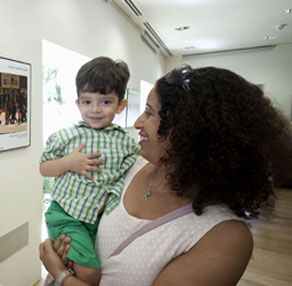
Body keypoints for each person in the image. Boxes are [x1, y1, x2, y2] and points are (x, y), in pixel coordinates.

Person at [39, 64, 292, 286]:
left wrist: (61, 275)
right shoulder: (129, 167)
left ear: (188, 130)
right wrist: (70, 256)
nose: (137, 122)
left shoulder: (225, 239)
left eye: (149, 112)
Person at [40, 57, 140, 286]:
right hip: (66, 215)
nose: (94, 109)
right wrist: (68, 163)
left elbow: (130, 169)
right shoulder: (67, 136)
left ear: (120, 105)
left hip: (95, 219)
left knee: (79, 265)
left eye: (105, 102)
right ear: (77, 103)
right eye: (87, 101)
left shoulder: (125, 142)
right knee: (91, 275)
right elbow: (44, 168)